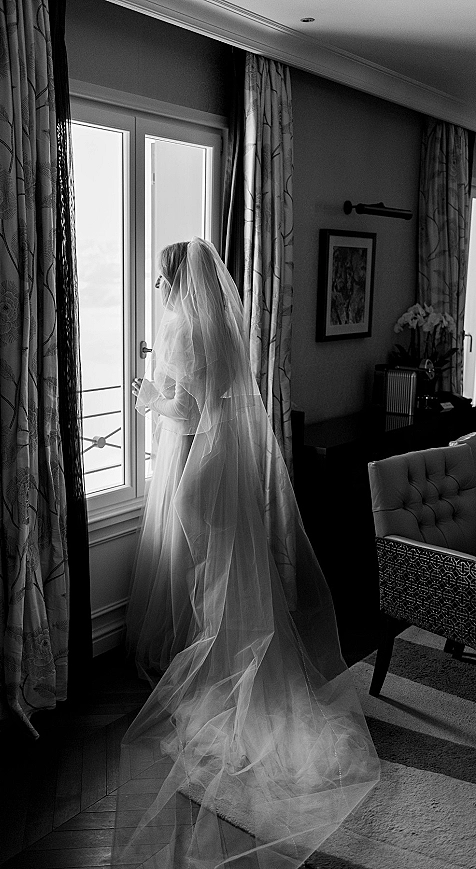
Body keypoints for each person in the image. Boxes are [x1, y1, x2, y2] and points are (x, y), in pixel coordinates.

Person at [115, 238, 380, 868]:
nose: (158, 286)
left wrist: (147, 395)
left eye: (160, 276)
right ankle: (221, 649)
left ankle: (216, 662)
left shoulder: (184, 327)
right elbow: (223, 395)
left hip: (204, 460)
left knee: (208, 565)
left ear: (179, 279)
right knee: (225, 567)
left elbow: (186, 404)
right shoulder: (222, 329)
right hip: (226, 455)